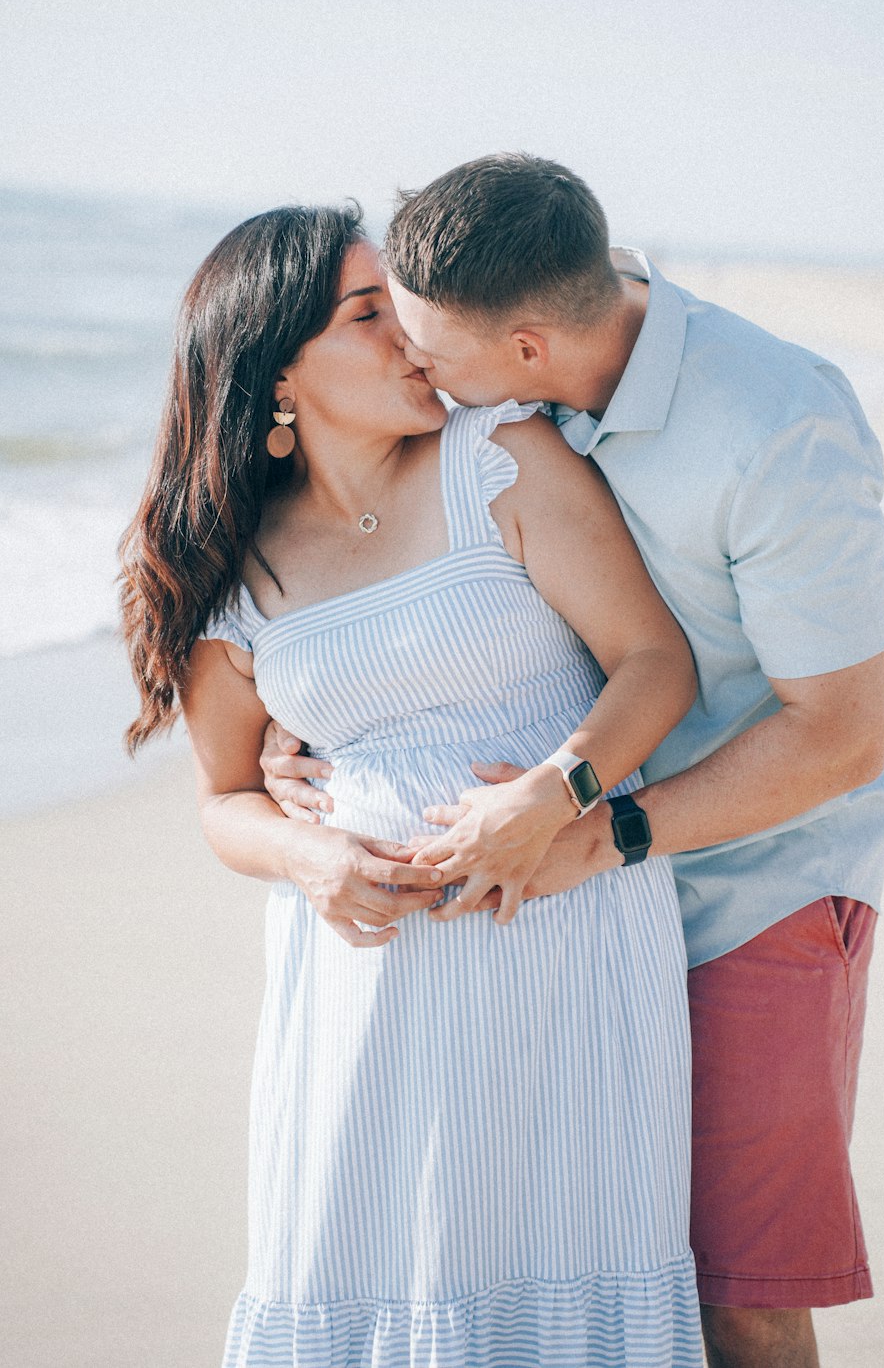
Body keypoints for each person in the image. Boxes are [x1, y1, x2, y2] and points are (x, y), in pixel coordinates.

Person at [263, 156, 884, 1368]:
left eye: (429, 352)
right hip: (559, 902)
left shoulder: (779, 430)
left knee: (737, 1287)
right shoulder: (512, 367)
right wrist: (322, 700)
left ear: (528, 353)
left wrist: (588, 828)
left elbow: (840, 735)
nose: (411, 365)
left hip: (752, 887)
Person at [119, 203, 705, 1367]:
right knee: (372, 1266)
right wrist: (310, 859)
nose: (413, 338)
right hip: (366, 992)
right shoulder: (231, 571)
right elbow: (225, 800)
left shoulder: (499, 457)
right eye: (368, 312)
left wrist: (557, 789)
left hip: (564, 941)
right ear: (275, 368)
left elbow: (655, 662)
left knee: (567, 1264)